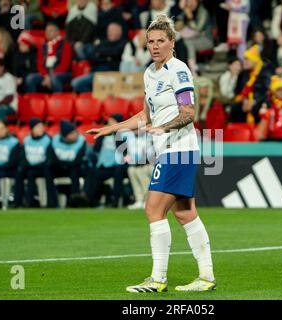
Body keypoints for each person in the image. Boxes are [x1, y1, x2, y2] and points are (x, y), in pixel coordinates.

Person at [86, 14, 216, 293]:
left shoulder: (178, 71)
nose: (155, 46)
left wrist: (163, 128)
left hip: (179, 149)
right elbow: (145, 116)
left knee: (153, 209)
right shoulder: (150, 73)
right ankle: (206, 277)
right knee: (184, 214)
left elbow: (189, 113)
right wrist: (112, 129)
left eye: (161, 41)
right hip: (169, 150)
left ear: (172, 42)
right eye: (151, 42)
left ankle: (158, 279)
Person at [83, 114, 129, 208]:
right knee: (92, 174)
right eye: (109, 121)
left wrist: (116, 131)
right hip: (103, 165)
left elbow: (123, 150)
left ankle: (115, 201)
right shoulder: (104, 135)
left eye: (112, 122)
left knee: (118, 173)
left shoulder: (123, 135)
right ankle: (89, 201)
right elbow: (96, 149)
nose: (109, 123)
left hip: (116, 166)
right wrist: (103, 134)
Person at [14, 118, 58, 208]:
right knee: (20, 172)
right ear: (32, 129)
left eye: (41, 126)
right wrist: (27, 164)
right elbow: (23, 156)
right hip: (30, 166)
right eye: (38, 127)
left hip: (44, 167)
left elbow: (51, 158)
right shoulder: (27, 140)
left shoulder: (48, 139)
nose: (41, 129)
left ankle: (52, 203)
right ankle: (19, 202)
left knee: (48, 172)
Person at [71, 22, 126, 93]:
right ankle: (94, 98)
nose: (110, 33)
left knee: (76, 83)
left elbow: (115, 52)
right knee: (76, 84)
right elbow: (93, 57)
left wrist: (100, 54)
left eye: (113, 30)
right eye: (109, 31)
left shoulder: (123, 43)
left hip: (110, 74)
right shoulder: (103, 42)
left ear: (120, 32)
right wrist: (107, 57)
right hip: (95, 72)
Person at [231, 44, 273, 123]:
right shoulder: (244, 73)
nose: (245, 62)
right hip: (246, 100)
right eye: (244, 59)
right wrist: (245, 100)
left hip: (259, 101)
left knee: (258, 108)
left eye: (247, 59)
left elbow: (266, 91)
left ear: (254, 61)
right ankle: (238, 132)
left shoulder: (265, 72)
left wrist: (253, 102)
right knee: (235, 108)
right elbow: (237, 90)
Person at [25, 22, 73, 93]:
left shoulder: (65, 44)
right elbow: (40, 64)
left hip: (63, 73)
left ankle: (58, 101)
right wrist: (46, 76)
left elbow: (64, 65)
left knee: (55, 78)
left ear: (57, 32)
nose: (47, 33)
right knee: (30, 78)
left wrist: (50, 77)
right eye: (46, 31)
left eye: (50, 31)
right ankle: (34, 102)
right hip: (47, 74)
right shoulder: (43, 46)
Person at [49, 120, 87, 207]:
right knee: (48, 169)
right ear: (66, 136)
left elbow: (78, 160)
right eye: (72, 133)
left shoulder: (81, 141)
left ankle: (75, 201)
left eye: (75, 132)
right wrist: (63, 164)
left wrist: (66, 164)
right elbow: (52, 158)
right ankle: (51, 203)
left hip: (73, 167)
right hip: (59, 167)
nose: (76, 135)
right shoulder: (55, 141)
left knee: (76, 169)